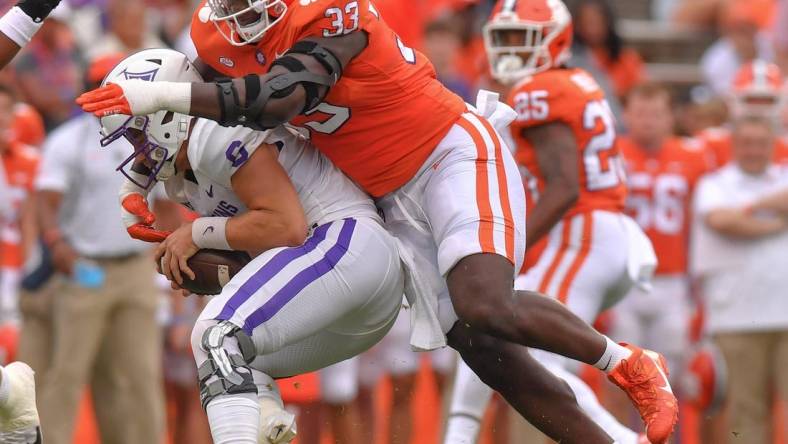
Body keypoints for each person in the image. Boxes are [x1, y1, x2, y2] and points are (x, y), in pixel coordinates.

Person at [76, 0, 679, 441]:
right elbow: (185, 89)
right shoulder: (213, 35)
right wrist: (142, 169)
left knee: (484, 303)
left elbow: (278, 100)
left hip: (446, 153)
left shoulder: (337, 16)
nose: (238, 13)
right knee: (483, 351)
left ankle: (624, 361)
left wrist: (161, 101)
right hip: (384, 197)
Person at [98, 48, 408, 443]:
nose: (138, 150)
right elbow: (272, 242)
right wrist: (211, 267)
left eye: (138, 133)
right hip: (350, 292)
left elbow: (286, 227)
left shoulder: (212, 134)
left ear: (166, 114)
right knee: (235, 361)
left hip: (348, 241)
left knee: (215, 335)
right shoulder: (185, 172)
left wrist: (196, 234)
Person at [445, 2, 662, 443]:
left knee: (531, 355)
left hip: (582, 232)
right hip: (598, 231)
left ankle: (622, 440)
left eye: (521, 37)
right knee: (489, 330)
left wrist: (510, 245)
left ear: (555, 39)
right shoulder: (571, 80)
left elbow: (565, 187)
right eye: (503, 38)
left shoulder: (539, 90)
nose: (509, 49)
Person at [32, 52, 166, 444]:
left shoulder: (148, 134)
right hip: (86, 267)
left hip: (136, 267)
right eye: (99, 84)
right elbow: (46, 200)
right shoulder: (68, 141)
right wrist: (56, 244)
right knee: (69, 372)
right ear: (87, 89)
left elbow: (170, 199)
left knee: (139, 374)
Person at [609, 82, 711, 418]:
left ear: (671, 118)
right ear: (627, 115)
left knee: (672, 377)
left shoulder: (691, 156)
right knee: (620, 374)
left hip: (672, 282)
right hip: (623, 283)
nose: (648, 121)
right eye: (640, 113)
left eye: (656, 114)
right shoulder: (610, 153)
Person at [691, 115, 788, 444]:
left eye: (761, 143)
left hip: (783, 312)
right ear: (734, 146)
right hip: (735, 316)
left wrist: (747, 209)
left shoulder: (781, 175)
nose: (754, 151)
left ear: (773, 145)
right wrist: (773, 221)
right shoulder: (715, 183)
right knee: (746, 412)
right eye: (747, 143)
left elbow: (736, 217)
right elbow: (723, 221)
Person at [698, 60, 788, 169]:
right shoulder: (709, 144)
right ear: (733, 100)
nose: (759, 110)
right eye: (752, 100)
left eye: (767, 100)